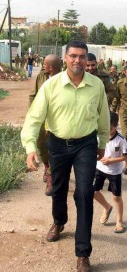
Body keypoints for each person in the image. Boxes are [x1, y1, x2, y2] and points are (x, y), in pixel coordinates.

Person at [21, 40, 110, 272]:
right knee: (58, 189)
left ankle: (83, 253)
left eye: (82, 56)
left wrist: (102, 143)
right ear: (65, 58)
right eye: (73, 56)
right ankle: (59, 222)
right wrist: (31, 147)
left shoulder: (96, 85)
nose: (77, 60)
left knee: (84, 193)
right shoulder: (51, 85)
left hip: (86, 145)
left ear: (88, 59)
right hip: (57, 145)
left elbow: (103, 118)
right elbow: (34, 118)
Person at [28, 54, 62, 196]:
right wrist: (32, 112)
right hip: (42, 118)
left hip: (58, 119)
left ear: (51, 67)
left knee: (56, 147)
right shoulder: (41, 76)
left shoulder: (64, 78)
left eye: (44, 63)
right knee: (41, 144)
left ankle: (52, 176)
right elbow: (33, 95)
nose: (42, 65)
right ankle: (47, 166)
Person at [94, 111, 127, 233]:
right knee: (92, 191)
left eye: (110, 127)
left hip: (115, 172)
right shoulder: (98, 136)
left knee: (117, 197)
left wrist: (112, 160)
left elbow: (126, 156)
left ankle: (119, 221)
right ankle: (106, 207)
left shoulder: (121, 140)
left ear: (115, 126)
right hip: (100, 168)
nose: (108, 130)